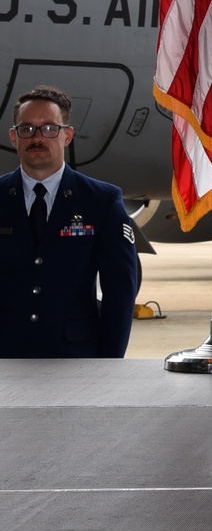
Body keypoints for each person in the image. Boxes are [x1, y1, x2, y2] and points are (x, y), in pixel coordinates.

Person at [1, 85, 138, 358]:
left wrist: (108, 361)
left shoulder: (100, 201)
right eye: (27, 129)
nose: (37, 138)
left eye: (49, 128)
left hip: (76, 356)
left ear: (67, 135)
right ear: (14, 137)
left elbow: (120, 290)